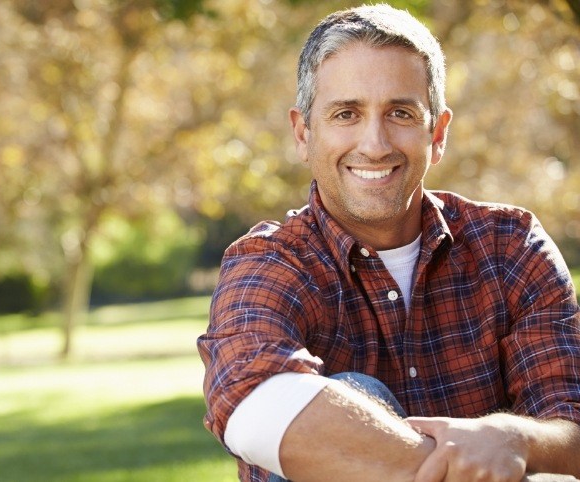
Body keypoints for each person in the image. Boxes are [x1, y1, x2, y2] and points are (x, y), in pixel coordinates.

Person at [197, 4, 580, 482]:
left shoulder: (511, 248)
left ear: (437, 134)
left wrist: (515, 438)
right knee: (351, 392)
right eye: (346, 114)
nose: (374, 144)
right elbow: (253, 402)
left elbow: (571, 427)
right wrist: (463, 470)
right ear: (303, 133)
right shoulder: (271, 262)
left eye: (400, 113)